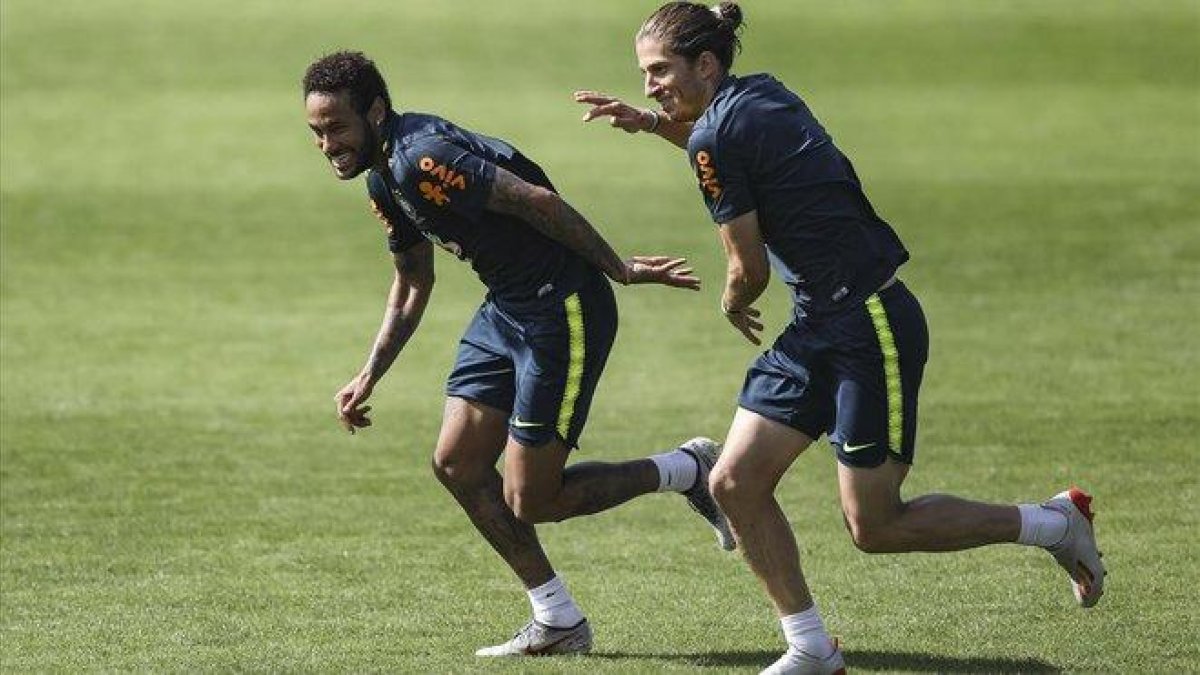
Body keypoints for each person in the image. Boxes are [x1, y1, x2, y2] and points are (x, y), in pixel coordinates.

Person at [575, 3, 1107, 673]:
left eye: (658, 72)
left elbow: (747, 266)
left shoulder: (716, 136)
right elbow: (721, 149)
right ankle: (811, 647)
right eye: (645, 75)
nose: (650, 84)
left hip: (868, 324)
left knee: (875, 525)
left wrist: (731, 301)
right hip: (818, 325)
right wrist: (653, 124)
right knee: (736, 483)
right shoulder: (761, 93)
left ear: (705, 65)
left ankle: (1056, 523)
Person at [302, 50, 735, 658]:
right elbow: (411, 279)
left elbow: (538, 201)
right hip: (506, 308)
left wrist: (619, 268)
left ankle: (689, 470)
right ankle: (556, 618)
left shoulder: (421, 159)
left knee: (533, 498)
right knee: (456, 463)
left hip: (564, 308)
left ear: (375, 112)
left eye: (337, 128)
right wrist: (370, 372)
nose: (327, 144)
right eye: (317, 132)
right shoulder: (382, 178)